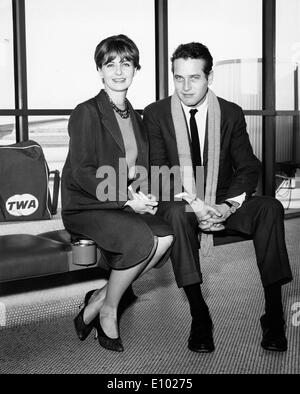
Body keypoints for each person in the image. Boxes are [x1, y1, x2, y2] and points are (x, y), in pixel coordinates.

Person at [143, 42, 293, 353]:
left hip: (223, 199)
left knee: (270, 208)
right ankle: (200, 316)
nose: (185, 87)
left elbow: (248, 165)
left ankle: (274, 315)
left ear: (209, 77)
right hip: (182, 199)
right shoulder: (156, 114)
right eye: (179, 78)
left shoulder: (230, 113)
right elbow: (158, 171)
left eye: (194, 78)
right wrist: (196, 207)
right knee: (175, 214)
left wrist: (225, 206)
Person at [61, 34, 174, 352]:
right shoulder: (86, 112)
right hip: (86, 206)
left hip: (118, 203)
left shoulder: (137, 119)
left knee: (166, 236)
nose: (119, 70)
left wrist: (145, 196)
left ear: (136, 69)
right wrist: (126, 199)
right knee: (141, 239)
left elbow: (140, 172)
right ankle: (108, 310)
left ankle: (99, 297)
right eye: (110, 63)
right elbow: (83, 172)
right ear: (99, 70)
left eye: (126, 62)